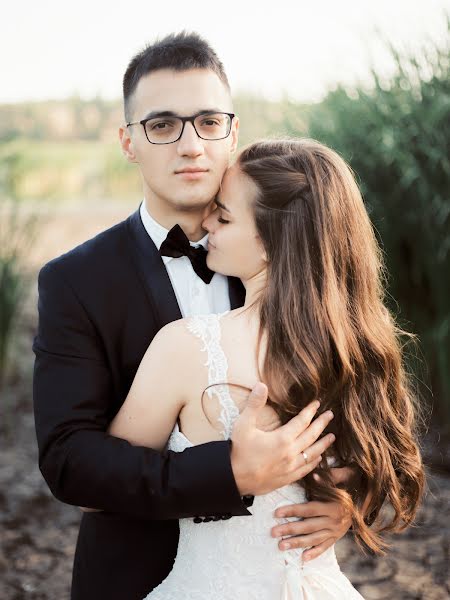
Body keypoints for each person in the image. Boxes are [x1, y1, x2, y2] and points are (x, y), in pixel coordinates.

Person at [32, 33, 351, 600]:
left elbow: (352, 410)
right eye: (162, 125)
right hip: (136, 575)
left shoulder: (289, 258)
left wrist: (347, 500)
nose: (190, 146)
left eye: (208, 122)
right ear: (129, 142)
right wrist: (230, 475)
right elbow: (69, 461)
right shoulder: (74, 281)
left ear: (232, 132)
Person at [108, 138, 425, 599]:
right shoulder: (358, 348)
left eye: (225, 215)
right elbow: (389, 462)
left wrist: (339, 503)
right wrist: (351, 502)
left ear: (273, 240)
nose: (206, 222)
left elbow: (104, 482)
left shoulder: (186, 346)